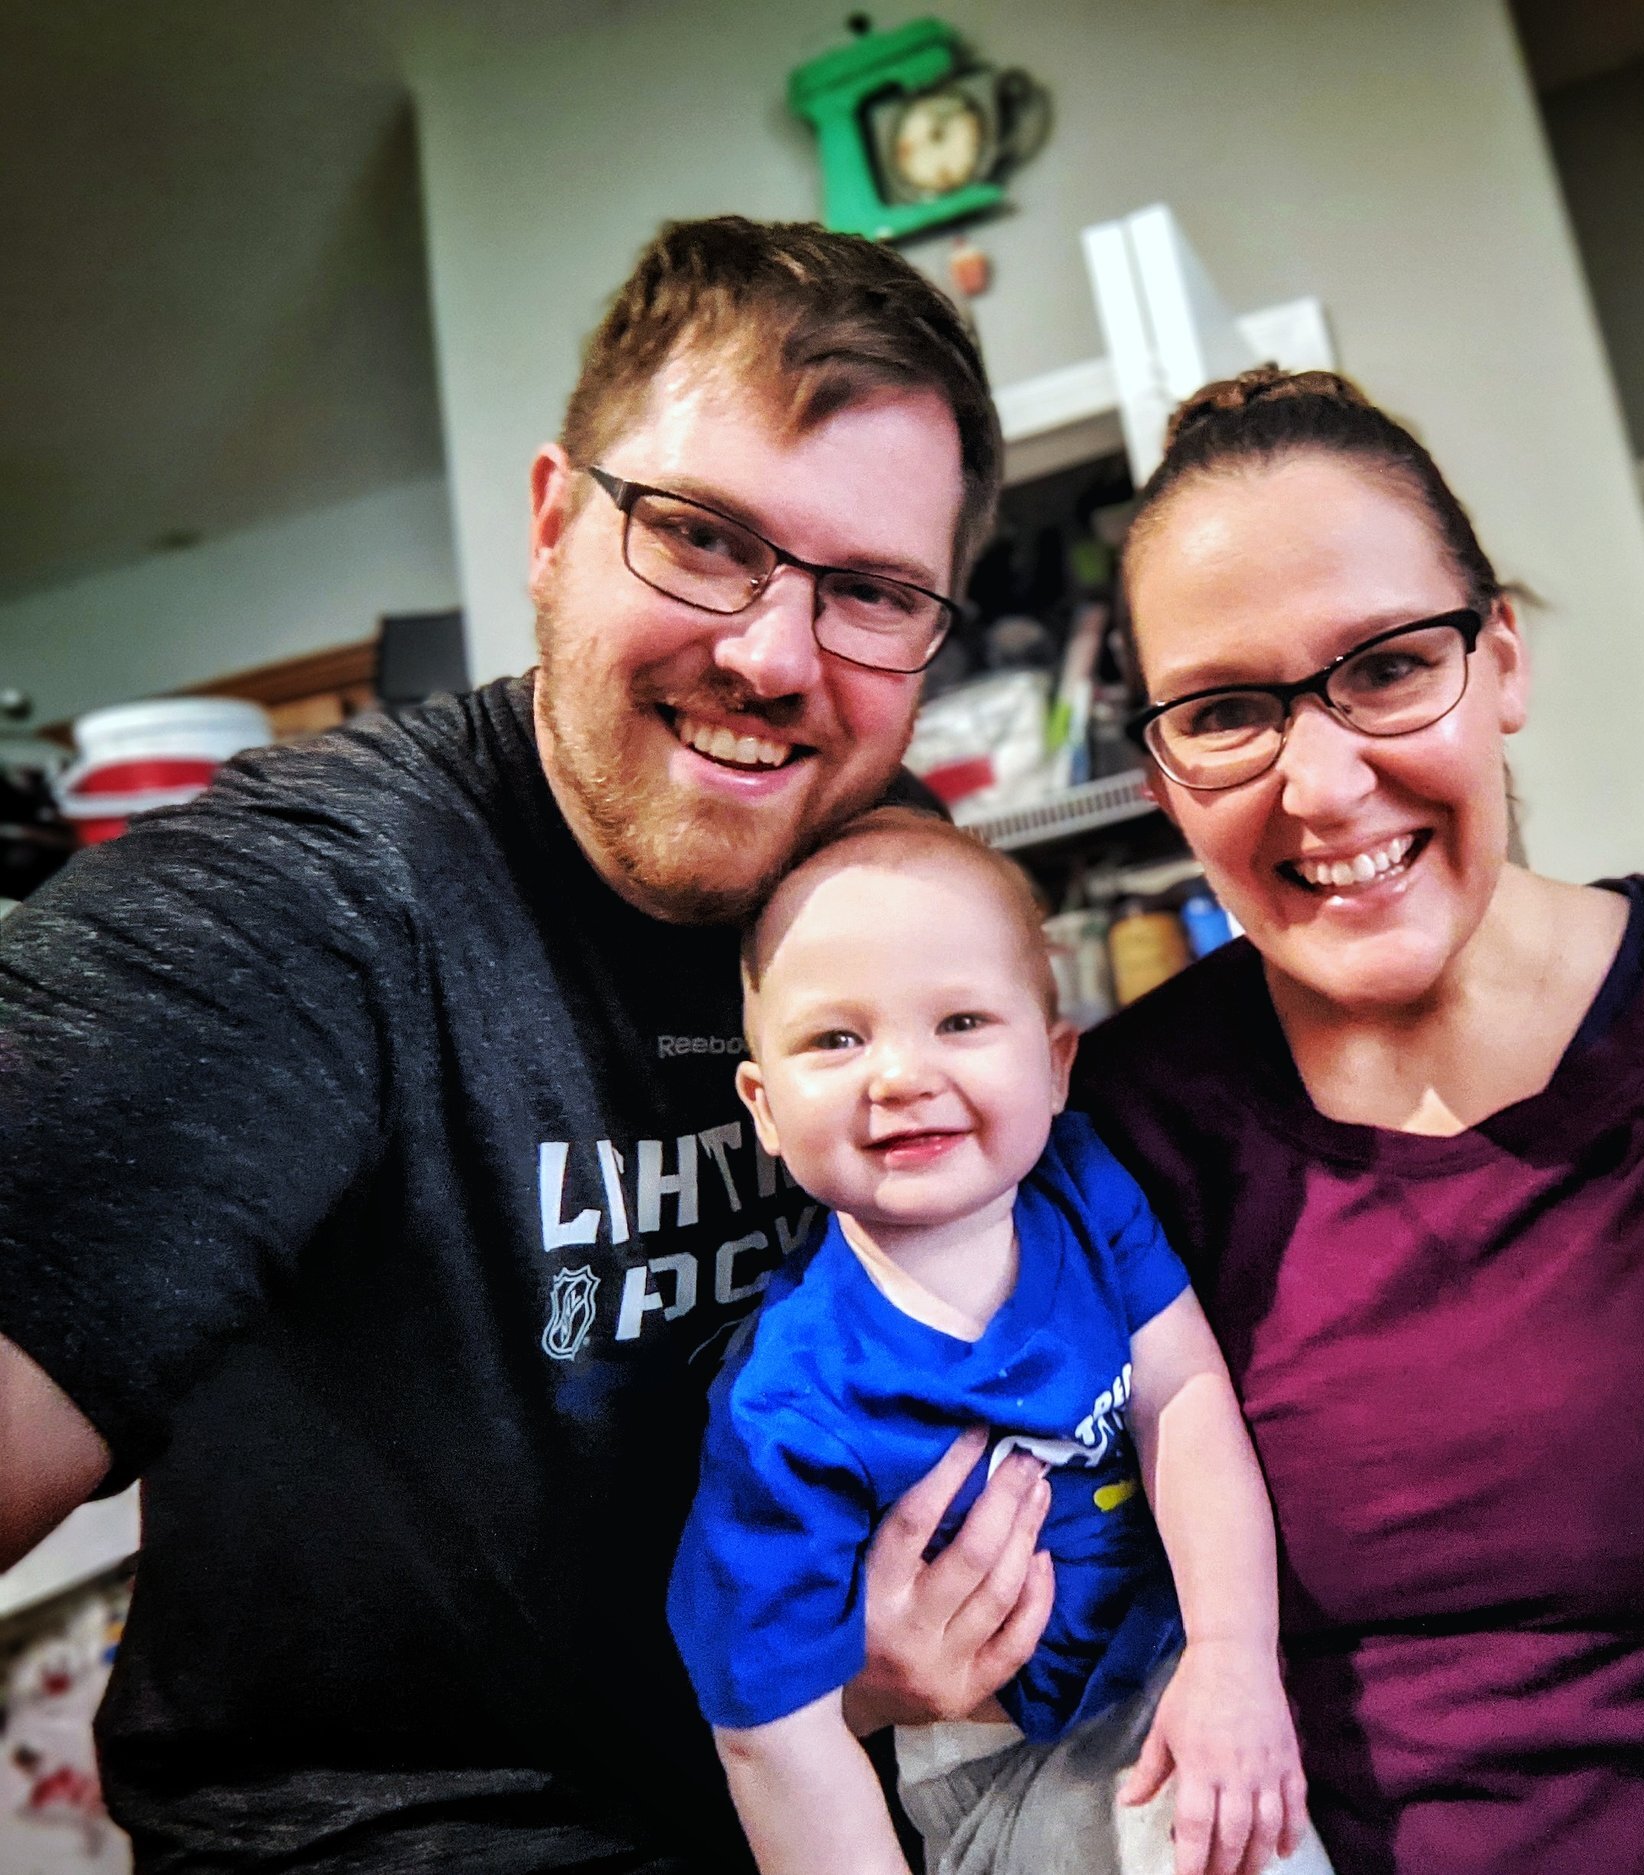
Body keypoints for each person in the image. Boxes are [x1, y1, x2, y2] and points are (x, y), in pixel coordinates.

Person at [0, 216, 1051, 1871]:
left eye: (871, 593)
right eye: (705, 538)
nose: (776, 657)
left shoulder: (875, 861)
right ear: (557, 523)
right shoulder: (321, 905)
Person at [1047, 367, 1644, 1873]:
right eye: (1224, 711)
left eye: (1391, 667)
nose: (1326, 785)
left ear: (1505, 659)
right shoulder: (1132, 1131)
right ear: (1161, 774)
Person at [669, 808, 1324, 1875]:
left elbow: (1184, 1393)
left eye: (961, 1022)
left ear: (1057, 1064)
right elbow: (769, 1733)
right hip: (1007, 1764)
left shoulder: (1077, 1185)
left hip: (1174, 1665)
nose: (898, 1076)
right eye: (837, 1039)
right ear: (765, 1108)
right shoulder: (789, 1406)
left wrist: (1234, 1656)